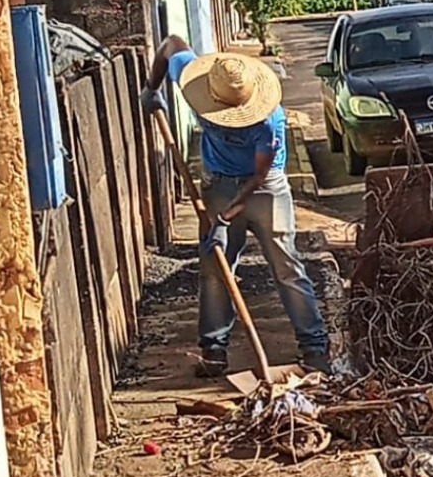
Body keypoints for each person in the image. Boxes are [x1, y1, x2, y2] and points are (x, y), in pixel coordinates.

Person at [140, 35, 331, 376]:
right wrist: (151, 89)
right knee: (216, 269)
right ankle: (213, 352)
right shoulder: (198, 82)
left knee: (286, 266)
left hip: (264, 188)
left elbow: (259, 177)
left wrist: (225, 220)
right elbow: (170, 45)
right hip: (218, 185)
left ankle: (314, 349)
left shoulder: (270, 122)